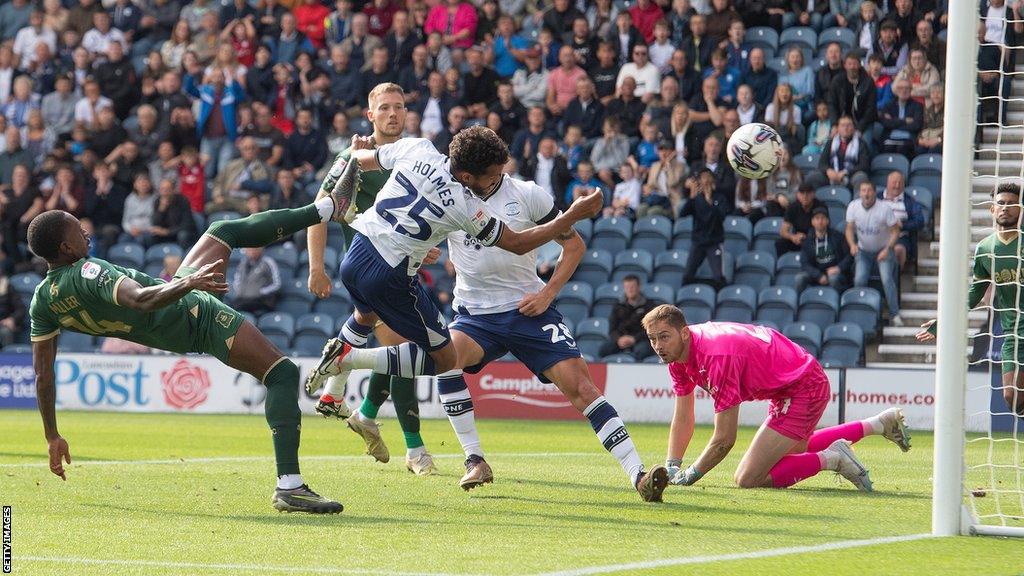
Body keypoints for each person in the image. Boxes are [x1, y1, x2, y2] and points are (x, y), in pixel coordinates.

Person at [26, 167, 356, 512]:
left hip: (175, 316)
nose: (84, 230)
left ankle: (327, 209)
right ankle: (289, 486)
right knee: (282, 374)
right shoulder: (87, 270)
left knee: (221, 230)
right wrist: (190, 283)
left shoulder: (43, 301)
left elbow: (42, 376)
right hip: (194, 314)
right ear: (65, 247)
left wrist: (52, 435)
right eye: (76, 229)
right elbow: (140, 298)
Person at [304, 126, 604, 426]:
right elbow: (517, 242)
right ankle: (347, 360)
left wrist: (357, 148)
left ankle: (334, 393)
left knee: (365, 316)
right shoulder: (465, 204)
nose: (498, 178)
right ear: (468, 177)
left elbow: (359, 159)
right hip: (391, 273)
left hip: (356, 253)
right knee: (445, 358)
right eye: (492, 175)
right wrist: (571, 215)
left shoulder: (418, 147)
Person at [307, 83, 439, 474]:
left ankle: (360, 412)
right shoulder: (353, 158)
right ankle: (415, 450)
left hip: (404, 272)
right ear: (371, 115)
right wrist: (317, 267)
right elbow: (319, 211)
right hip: (369, 272)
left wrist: (425, 247)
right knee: (407, 350)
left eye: (399, 107)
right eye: (384, 108)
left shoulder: (414, 156)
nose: (393, 114)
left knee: (398, 356)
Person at [644, 305, 911, 490]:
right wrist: (672, 466)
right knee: (791, 451)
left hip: (803, 386)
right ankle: (878, 424)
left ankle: (834, 459)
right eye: (653, 339)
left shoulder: (716, 357)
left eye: (664, 337)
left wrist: (691, 474)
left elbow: (724, 439)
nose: (658, 346)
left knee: (747, 477)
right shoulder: (676, 356)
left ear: (684, 333)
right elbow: (683, 416)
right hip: (788, 383)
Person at [917, 183, 1024, 417]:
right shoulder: (986, 248)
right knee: (1012, 397)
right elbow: (975, 292)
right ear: (992, 209)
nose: (1005, 208)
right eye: (1001, 203)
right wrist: (944, 321)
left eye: (1011, 204)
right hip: (1014, 334)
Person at [846, 180, 902, 326]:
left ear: (874, 192)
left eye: (869, 190)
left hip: (883, 250)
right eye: (863, 190)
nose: (866, 194)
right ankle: (860, 313)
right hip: (863, 251)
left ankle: (894, 314)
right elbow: (849, 228)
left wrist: (888, 249)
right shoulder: (853, 206)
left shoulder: (884, 208)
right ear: (860, 192)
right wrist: (852, 244)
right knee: (859, 279)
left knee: (887, 280)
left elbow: (895, 231)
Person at [681, 168, 728, 289]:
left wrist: (709, 202)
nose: (705, 181)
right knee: (687, 277)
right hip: (698, 241)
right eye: (703, 178)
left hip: (714, 241)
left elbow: (721, 217)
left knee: (719, 278)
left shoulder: (720, 198)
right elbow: (682, 214)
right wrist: (691, 197)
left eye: (708, 177)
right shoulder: (696, 199)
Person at [600, 275, 657, 360]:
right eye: (627, 287)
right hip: (620, 339)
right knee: (604, 349)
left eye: (632, 287)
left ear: (639, 287)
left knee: (642, 351)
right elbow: (612, 329)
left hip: (640, 339)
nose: (629, 290)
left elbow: (650, 329)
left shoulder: (649, 306)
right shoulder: (618, 306)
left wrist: (634, 339)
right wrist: (618, 339)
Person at [807, 115, 870, 190]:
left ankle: (856, 201)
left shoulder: (861, 143)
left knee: (861, 177)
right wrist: (829, 171)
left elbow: (864, 165)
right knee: (813, 176)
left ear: (853, 128)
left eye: (848, 125)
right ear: (838, 128)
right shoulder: (830, 142)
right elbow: (822, 163)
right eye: (843, 125)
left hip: (851, 176)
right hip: (832, 175)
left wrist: (845, 172)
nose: (846, 128)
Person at [879, 171, 925, 268]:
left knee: (898, 250)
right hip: (877, 236)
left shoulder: (910, 201)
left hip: (900, 238)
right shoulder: (877, 199)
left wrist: (902, 225)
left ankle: (896, 278)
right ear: (887, 183)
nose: (897, 185)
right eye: (894, 182)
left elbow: (920, 221)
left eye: (900, 183)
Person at [799, 207, 851, 291]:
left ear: (827, 221)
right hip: (817, 273)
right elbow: (804, 263)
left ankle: (836, 302)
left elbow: (849, 256)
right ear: (812, 222)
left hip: (835, 272)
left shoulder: (838, 236)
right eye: (817, 218)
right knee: (800, 278)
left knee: (833, 279)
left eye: (823, 218)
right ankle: (800, 302)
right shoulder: (807, 241)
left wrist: (838, 268)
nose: (820, 221)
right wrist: (818, 275)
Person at [776, 182, 826, 256]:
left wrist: (808, 237)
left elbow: (824, 228)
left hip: (814, 238)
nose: (805, 196)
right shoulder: (793, 207)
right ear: (798, 195)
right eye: (802, 193)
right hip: (798, 238)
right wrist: (793, 237)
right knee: (780, 243)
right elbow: (783, 231)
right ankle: (783, 264)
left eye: (808, 193)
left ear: (813, 194)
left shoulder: (820, 207)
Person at [231, 247, 281, 315]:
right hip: (243, 298)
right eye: (248, 249)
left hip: (262, 301)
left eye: (254, 249)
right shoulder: (243, 263)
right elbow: (237, 279)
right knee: (229, 308)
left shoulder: (268, 262)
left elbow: (277, 284)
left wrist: (260, 292)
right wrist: (239, 290)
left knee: (238, 309)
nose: (251, 251)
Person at [0, 271, 26, 347]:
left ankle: (7, 358)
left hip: (3, 324)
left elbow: (21, 309)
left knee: (5, 332)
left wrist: (12, 319)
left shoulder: (8, 287)